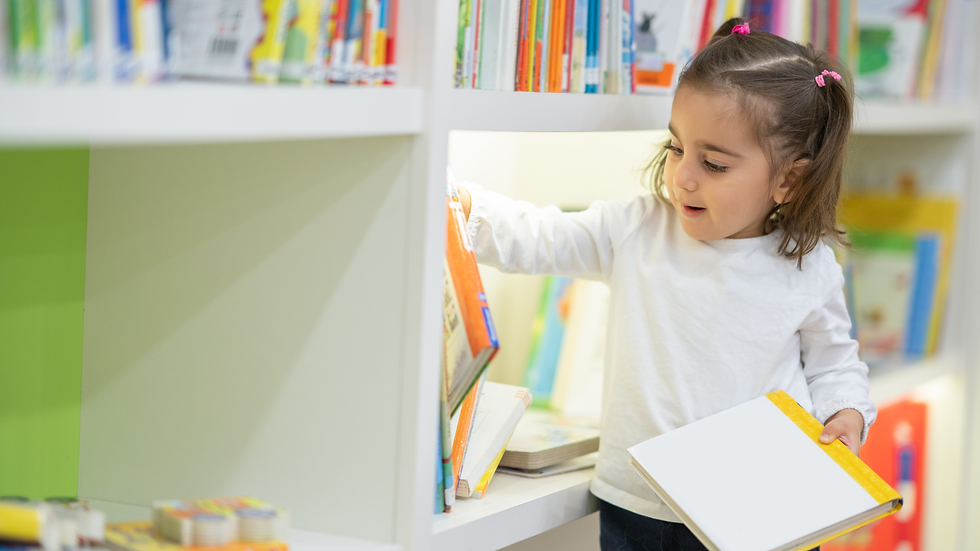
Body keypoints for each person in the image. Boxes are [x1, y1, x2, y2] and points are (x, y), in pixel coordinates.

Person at [457, 17, 874, 551]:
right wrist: (466, 207)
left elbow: (835, 365)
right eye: (677, 148)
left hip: (759, 512)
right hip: (637, 504)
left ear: (788, 179)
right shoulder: (637, 229)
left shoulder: (808, 267)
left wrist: (845, 413)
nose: (684, 177)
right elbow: (541, 236)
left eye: (715, 163)